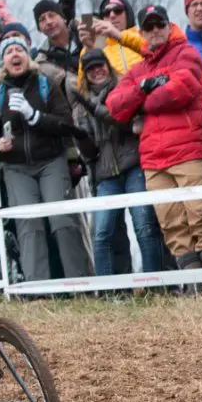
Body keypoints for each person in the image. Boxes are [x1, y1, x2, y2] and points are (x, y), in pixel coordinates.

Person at [107, 5, 202, 271]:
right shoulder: (138, 70)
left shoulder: (186, 53)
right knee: (172, 224)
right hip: (154, 160)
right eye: (148, 27)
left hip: (191, 151)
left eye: (159, 25)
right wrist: (144, 88)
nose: (155, 31)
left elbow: (180, 89)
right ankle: (194, 285)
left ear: (168, 25)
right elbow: (115, 105)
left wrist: (140, 104)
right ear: (141, 33)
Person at [0, 37, 91, 280]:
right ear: (4, 61)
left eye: (19, 49)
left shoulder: (46, 84)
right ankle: (36, 288)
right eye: (9, 51)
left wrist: (35, 117)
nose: (15, 54)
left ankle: (79, 283)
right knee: (28, 224)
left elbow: (66, 123)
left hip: (51, 161)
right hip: (17, 167)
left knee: (61, 219)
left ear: (28, 56)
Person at [69, 49, 163, 276]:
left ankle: (155, 283)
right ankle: (107, 290)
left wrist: (98, 110)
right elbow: (90, 155)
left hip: (134, 166)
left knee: (144, 226)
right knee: (101, 233)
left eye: (100, 65)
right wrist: (80, 138)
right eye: (90, 69)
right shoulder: (79, 108)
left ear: (108, 66)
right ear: (85, 74)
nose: (97, 71)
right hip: (104, 174)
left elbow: (134, 125)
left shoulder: (125, 90)